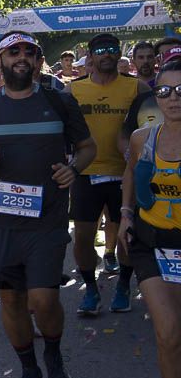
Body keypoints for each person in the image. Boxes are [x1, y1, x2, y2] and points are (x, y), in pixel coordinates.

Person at [0, 32, 95, 378]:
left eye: (29, 52)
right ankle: (28, 368)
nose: (21, 57)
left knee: (44, 299)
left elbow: (87, 148)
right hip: (1, 223)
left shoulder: (58, 101)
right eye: (13, 51)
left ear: (38, 60)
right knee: (11, 301)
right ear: (0, 59)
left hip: (46, 220)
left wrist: (74, 169)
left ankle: (52, 356)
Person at [119, 58, 181, 378]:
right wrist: (126, 214)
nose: (173, 99)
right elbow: (129, 175)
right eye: (165, 91)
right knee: (168, 332)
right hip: (151, 243)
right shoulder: (145, 137)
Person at [68, 33, 149, 315]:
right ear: (90, 57)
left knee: (127, 235)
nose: (107, 54)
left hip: (126, 173)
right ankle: (90, 289)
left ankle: (124, 285)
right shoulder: (73, 90)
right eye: (100, 50)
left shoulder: (136, 87)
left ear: (118, 54)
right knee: (82, 238)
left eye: (112, 49)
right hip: (86, 173)